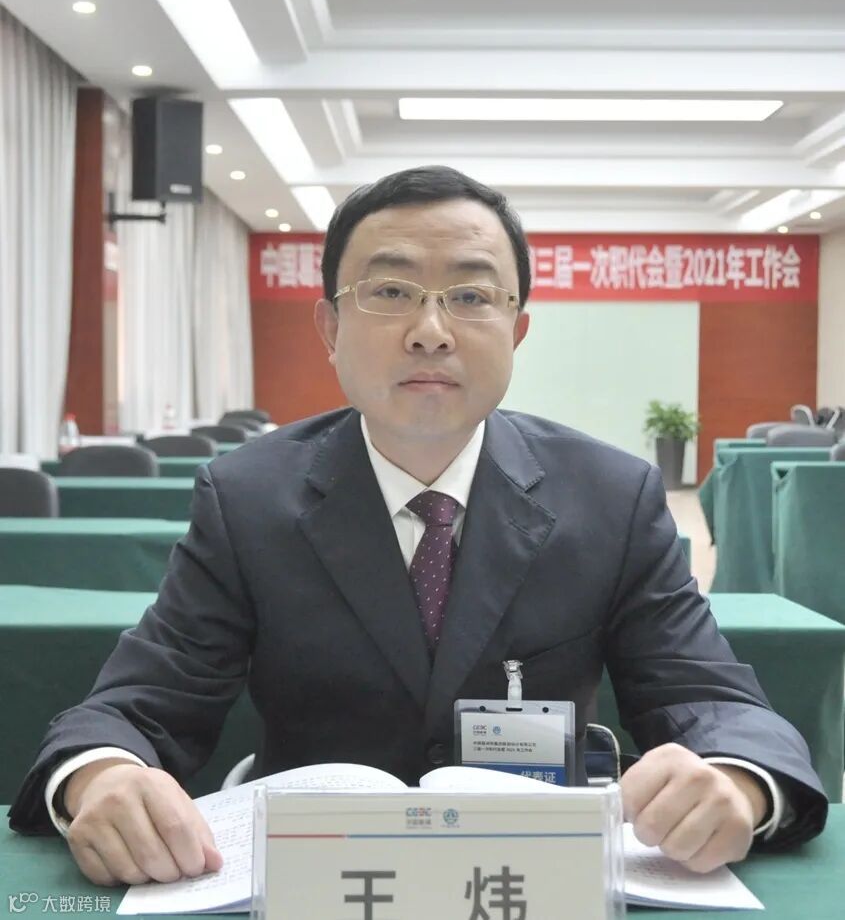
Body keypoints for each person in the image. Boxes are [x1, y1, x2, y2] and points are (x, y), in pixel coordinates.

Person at [10, 166, 826, 887]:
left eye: (470, 297)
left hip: (530, 878)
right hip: (316, 879)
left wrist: (736, 781)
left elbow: (708, 698)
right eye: (390, 292)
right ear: (330, 328)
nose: (430, 330)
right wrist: (102, 775)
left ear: (516, 329)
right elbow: (139, 703)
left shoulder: (610, 497)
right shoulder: (247, 496)